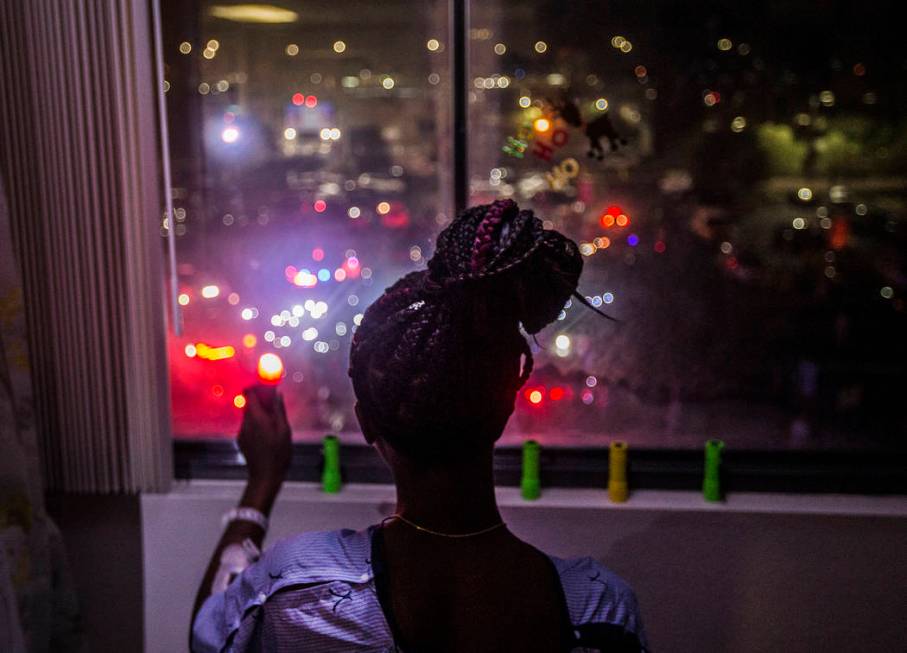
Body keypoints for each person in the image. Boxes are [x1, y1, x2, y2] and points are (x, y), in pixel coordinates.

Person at [191, 199, 648, 652]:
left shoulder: (294, 593)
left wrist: (260, 486)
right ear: (509, 401)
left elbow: (209, 630)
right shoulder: (601, 613)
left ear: (367, 425)